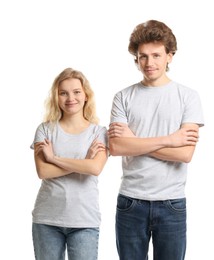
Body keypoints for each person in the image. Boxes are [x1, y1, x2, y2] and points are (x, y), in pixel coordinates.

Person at [108, 20, 204, 260]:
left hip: (171, 203)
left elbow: (185, 154)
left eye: (156, 55)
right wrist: (171, 139)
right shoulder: (123, 97)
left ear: (170, 56)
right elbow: (118, 147)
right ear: (136, 58)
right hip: (131, 201)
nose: (149, 63)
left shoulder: (188, 97)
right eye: (143, 57)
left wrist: (135, 142)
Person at [30, 68, 108, 260]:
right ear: (56, 97)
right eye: (63, 93)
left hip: (84, 221)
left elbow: (94, 168)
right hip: (47, 219)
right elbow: (43, 171)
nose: (70, 98)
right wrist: (83, 163)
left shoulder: (99, 133)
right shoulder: (45, 130)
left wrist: (54, 158)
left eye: (76, 92)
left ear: (86, 96)